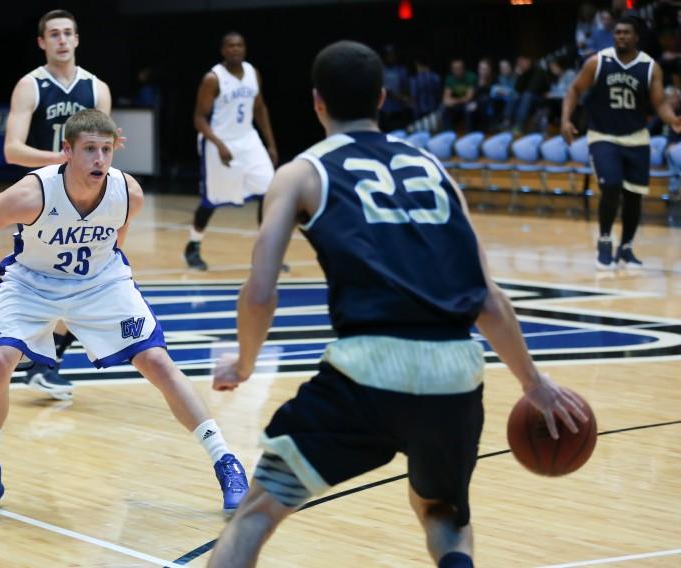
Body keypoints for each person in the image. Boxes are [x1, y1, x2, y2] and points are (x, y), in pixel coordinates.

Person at [206, 40, 587, 568]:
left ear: (316, 101)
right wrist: (533, 383)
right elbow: (490, 301)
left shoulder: (299, 173)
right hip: (455, 371)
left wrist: (245, 364)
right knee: (443, 513)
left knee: (257, 511)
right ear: (382, 98)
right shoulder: (434, 168)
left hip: (366, 371)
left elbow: (261, 292)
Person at [0, 109, 249, 519]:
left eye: (106, 149)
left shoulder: (127, 192)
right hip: (31, 283)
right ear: (66, 151)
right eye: (89, 150)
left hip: (99, 281)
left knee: (157, 361)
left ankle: (226, 462)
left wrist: (102, 281)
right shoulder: (33, 194)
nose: (99, 159)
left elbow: (116, 239)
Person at [1, 9, 116, 401]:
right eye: (54, 34)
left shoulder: (97, 88)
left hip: (86, 195)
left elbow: (105, 143)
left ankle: (44, 365)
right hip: (44, 198)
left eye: (68, 33)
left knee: (88, 277)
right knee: (45, 281)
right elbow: (12, 150)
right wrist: (60, 160)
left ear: (78, 39)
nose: (62, 40)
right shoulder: (30, 86)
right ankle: (21, 352)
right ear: (42, 42)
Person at [562, 14, 681, 270]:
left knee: (633, 196)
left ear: (636, 37)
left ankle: (626, 248)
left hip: (636, 137)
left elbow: (659, 102)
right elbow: (573, 90)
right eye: (618, 33)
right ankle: (605, 240)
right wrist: (565, 121)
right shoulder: (597, 62)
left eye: (626, 33)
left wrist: (672, 119)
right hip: (603, 135)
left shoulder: (650, 67)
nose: (621, 37)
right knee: (612, 185)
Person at [184, 31, 279, 271]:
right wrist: (219, 144)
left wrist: (271, 144)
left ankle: (265, 252)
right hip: (219, 141)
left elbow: (260, 108)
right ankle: (193, 246)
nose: (236, 49)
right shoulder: (213, 78)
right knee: (211, 201)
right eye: (230, 46)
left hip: (248, 140)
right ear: (223, 50)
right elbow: (198, 118)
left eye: (240, 45)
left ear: (245, 48)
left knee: (270, 193)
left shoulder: (252, 73)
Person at [441, 59, 476, 132]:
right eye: (455, 68)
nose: (457, 70)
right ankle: (448, 133)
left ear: (463, 68)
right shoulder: (450, 78)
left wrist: (453, 101)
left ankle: (469, 133)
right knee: (444, 109)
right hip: (456, 104)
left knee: (468, 109)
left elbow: (469, 97)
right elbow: (446, 98)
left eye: (459, 68)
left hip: (468, 103)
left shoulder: (470, 76)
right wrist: (449, 101)